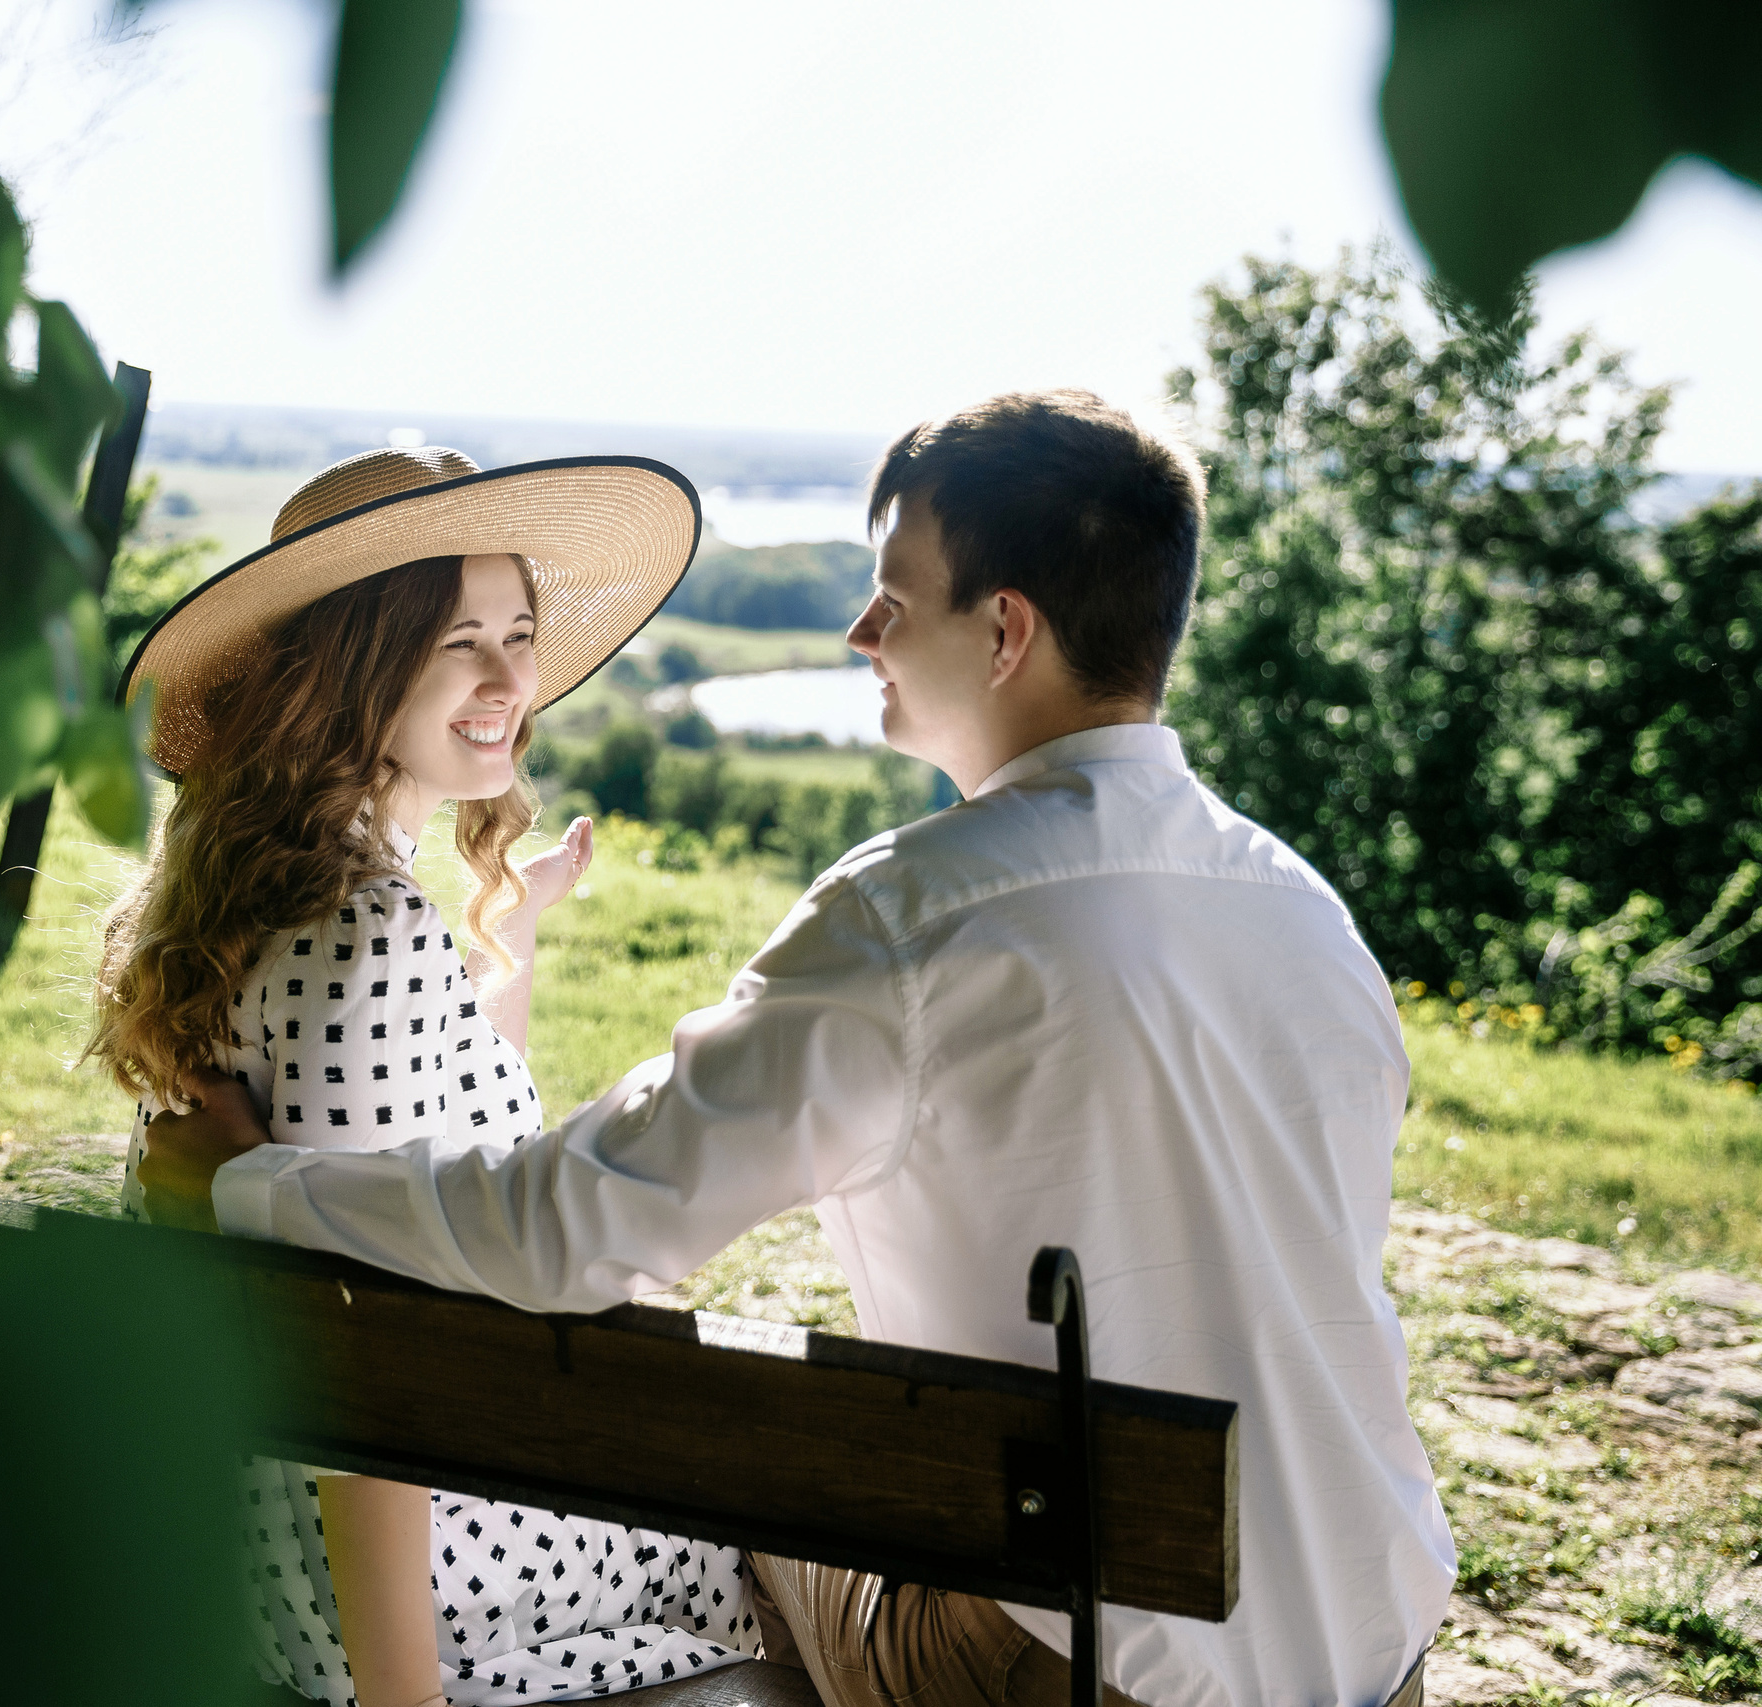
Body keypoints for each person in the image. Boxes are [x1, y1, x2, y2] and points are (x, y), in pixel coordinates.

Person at [139, 392, 1457, 1707]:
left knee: (743, 1494)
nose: (859, 628)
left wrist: (243, 1184)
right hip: (1378, 1643)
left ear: (1006, 632)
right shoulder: (1307, 913)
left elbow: (574, 1223)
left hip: (1083, 1669)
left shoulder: (915, 916)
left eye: (896, 596)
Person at [91, 444, 762, 1707]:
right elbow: (368, 1351)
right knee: (754, 1507)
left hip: (263, 1564)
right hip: (416, 1585)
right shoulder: (369, 929)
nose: (517, 678)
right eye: (464, 643)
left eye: (520, 632)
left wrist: (506, 943)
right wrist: (405, 1696)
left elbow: (412, 1150)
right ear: (352, 669)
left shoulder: (259, 883)